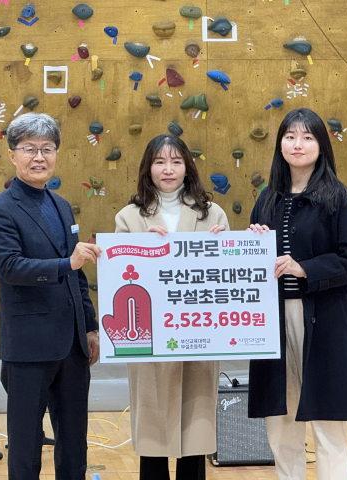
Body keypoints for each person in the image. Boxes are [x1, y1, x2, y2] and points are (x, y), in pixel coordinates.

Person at [247, 108, 347, 480]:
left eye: (307, 137)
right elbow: (256, 265)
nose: (297, 144)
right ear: (280, 144)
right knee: (280, 421)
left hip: (324, 320)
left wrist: (305, 268)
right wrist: (252, 243)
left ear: (321, 145)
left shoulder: (339, 197)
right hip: (274, 321)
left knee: (327, 422)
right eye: (289, 136)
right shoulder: (268, 198)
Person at [0, 112, 102, 480]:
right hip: (29, 347)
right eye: (29, 149)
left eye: (47, 149)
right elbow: (11, 268)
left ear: (56, 154)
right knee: (26, 446)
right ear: (12, 155)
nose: (39, 157)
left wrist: (90, 327)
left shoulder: (61, 205)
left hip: (73, 346)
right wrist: (67, 262)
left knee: (75, 444)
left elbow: (78, 276)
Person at [114, 134, 230, 480]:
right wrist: (142, 250)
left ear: (187, 167)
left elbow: (228, 277)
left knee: (195, 437)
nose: (168, 169)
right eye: (160, 162)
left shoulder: (213, 213)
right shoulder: (129, 217)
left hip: (198, 335)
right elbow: (119, 275)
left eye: (176, 162)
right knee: (154, 439)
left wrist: (222, 250)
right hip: (151, 339)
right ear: (148, 168)